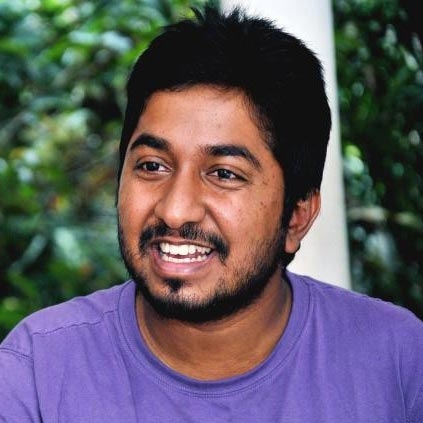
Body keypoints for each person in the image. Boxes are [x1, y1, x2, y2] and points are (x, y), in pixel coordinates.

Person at [1, 5, 422, 422]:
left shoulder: (398, 364)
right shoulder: (36, 373)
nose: (175, 210)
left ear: (297, 216)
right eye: (152, 166)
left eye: (223, 174)